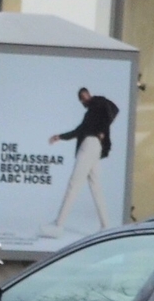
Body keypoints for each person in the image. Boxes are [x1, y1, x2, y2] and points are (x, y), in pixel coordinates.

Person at [47, 84, 119, 233]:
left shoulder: (95, 106)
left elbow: (80, 131)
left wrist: (60, 137)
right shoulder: (97, 108)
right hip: (96, 147)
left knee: (74, 185)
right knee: (95, 186)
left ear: (83, 98)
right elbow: (83, 129)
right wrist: (102, 131)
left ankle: (58, 224)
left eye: (83, 99)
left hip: (88, 146)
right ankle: (105, 225)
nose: (83, 101)